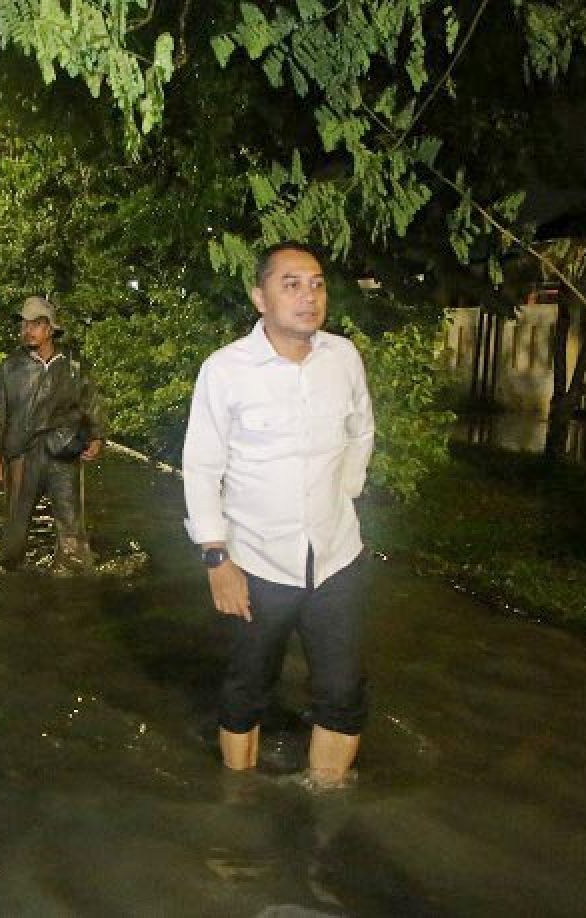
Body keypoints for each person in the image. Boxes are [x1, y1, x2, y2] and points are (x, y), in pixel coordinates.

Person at [182, 242, 375, 789]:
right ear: (259, 297)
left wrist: (347, 492)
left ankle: (326, 805)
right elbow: (200, 466)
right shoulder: (226, 370)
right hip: (256, 563)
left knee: (342, 692)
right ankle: (238, 805)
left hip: (337, 557)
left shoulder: (343, 358)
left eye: (316, 283)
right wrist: (217, 558)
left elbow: (361, 431)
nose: (308, 296)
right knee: (247, 689)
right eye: (291, 284)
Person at [0, 296, 105, 568]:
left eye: (36, 324)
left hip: (63, 451)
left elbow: (91, 403)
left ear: (50, 329)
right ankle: (9, 575)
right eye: (25, 324)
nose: (28, 330)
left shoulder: (73, 366)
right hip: (22, 455)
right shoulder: (10, 368)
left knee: (71, 525)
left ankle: (72, 574)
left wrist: (97, 437)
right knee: (15, 524)